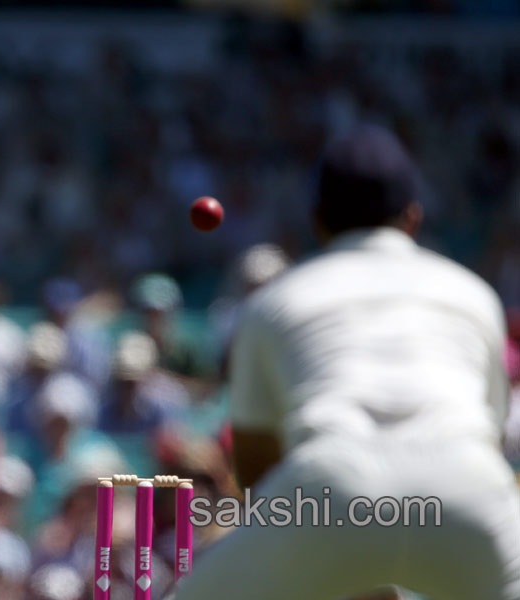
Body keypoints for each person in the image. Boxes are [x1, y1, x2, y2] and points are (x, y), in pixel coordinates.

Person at [175, 124, 520, 600]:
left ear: (318, 221)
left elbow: (259, 472)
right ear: (414, 219)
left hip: (331, 490)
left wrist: (339, 555)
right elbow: (492, 439)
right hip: (467, 492)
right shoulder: (474, 295)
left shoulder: (274, 301)